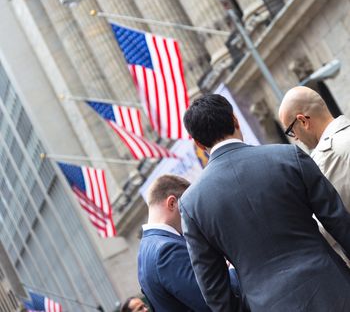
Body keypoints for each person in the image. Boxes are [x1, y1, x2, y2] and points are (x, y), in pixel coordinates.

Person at [180, 93, 350, 312]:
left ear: (198, 143)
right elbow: (339, 222)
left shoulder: (191, 204)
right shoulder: (288, 156)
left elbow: (213, 289)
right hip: (334, 289)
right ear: (235, 120)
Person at [138, 174, 242, 312]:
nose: (191, 212)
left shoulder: (144, 251)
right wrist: (231, 269)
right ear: (172, 203)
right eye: (187, 206)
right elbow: (212, 302)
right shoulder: (167, 250)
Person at [279, 86, 350, 263]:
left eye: (291, 130)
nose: (294, 138)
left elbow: (326, 226)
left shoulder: (325, 157)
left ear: (303, 121)